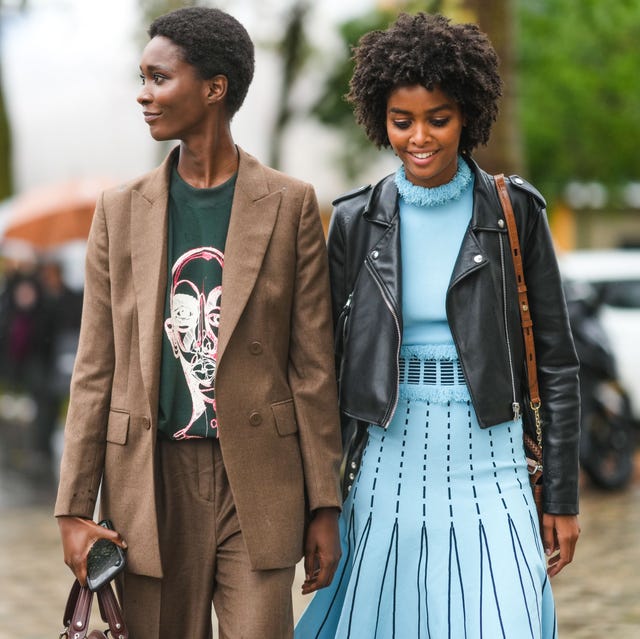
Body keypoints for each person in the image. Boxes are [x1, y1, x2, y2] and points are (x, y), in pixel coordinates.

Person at [54, 7, 342, 639]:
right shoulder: (119, 211)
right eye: (143, 77)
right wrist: (75, 508)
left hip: (259, 482)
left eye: (159, 78)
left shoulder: (290, 205)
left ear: (215, 88)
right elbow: (95, 366)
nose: (143, 93)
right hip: (149, 484)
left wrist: (325, 504)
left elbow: (313, 366)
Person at [295, 12, 580, 639]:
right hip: (387, 461)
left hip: (494, 459)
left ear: (468, 116)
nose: (419, 137)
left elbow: (557, 361)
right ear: (381, 120)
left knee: (505, 623)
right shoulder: (353, 222)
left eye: (438, 119)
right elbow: (322, 365)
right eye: (402, 122)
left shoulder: (516, 212)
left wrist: (561, 495)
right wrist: (321, 501)